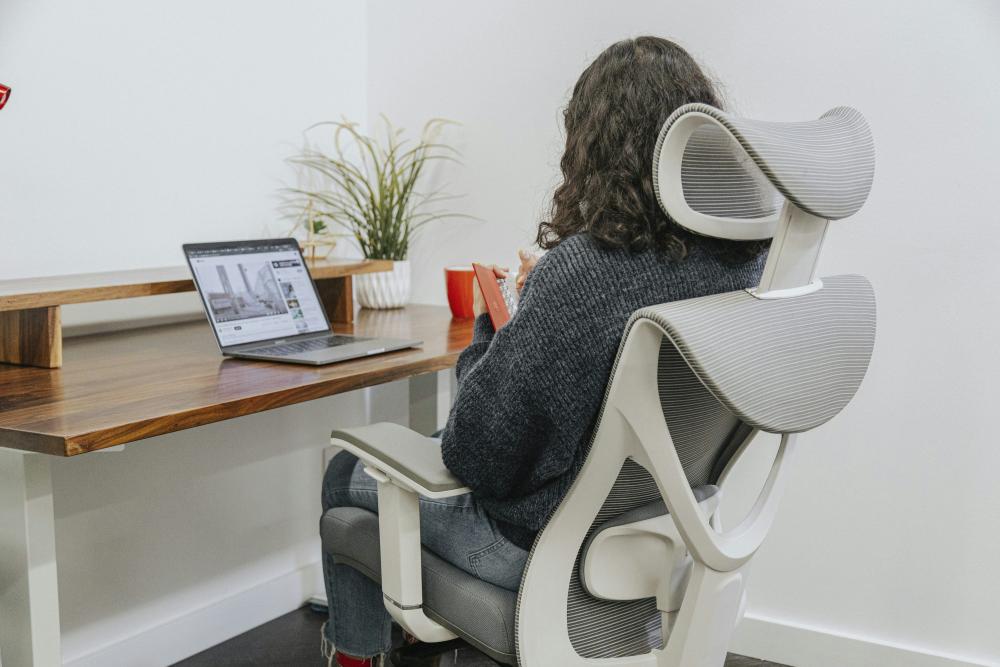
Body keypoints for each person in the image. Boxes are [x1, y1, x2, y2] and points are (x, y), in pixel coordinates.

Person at [320, 36, 768, 667]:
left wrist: (499, 319)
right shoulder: (743, 263)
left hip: (542, 551)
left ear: (592, 147)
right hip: (663, 537)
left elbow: (476, 455)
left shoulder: (585, 271)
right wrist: (543, 308)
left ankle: (362, 654)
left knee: (344, 473)